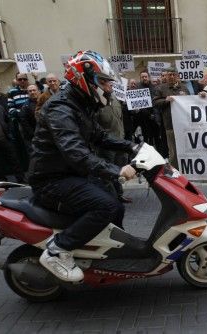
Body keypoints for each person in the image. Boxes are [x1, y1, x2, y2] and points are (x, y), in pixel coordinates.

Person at [28, 50, 138, 282]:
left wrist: (133, 147)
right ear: (83, 79)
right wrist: (116, 170)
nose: (108, 88)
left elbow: (100, 137)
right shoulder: (61, 108)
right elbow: (74, 151)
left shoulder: (81, 104)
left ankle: (104, 252)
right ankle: (57, 250)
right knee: (105, 206)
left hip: (72, 174)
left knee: (116, 203)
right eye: (104, 82)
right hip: (52, 179)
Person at [152, 67, 190, 168]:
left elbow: (191, 102)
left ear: (177, 76)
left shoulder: (184, 88)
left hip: (184, 125)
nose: (172, 76)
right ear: (166, 76)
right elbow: (155, 102)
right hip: (170, 124)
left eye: (174, 74)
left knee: (185, 148)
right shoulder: (161, 88)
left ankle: (186, 169)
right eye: (169, 74)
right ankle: (175, 171)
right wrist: (165, 100)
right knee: (173, 151)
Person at [19, 84, 40, 153]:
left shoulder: (44, 101)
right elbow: (25, 124)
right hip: (35, 137)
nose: (32, 92)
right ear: (28, 93)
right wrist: (35, 135)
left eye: (34, 90)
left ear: (38, 91)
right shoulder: (25, 107)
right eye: (30, 91)